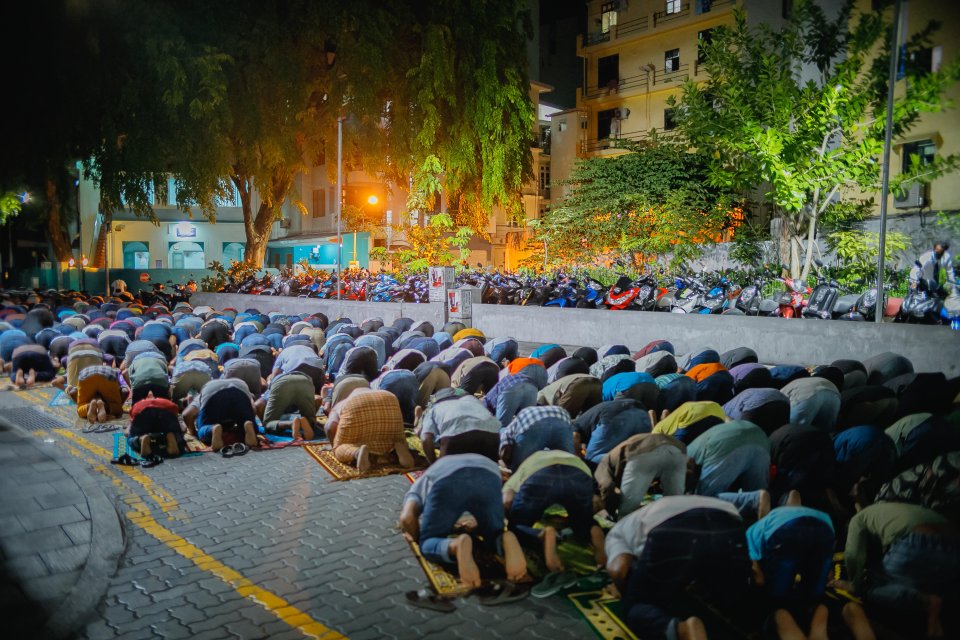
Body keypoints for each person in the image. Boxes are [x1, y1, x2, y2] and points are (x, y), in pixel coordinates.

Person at [606, 495, 750, 640]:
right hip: (729, 523)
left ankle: (684, 630)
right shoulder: (655, 509)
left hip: (676, 528)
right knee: (735, 600)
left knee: (636, 608)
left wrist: (620, 587)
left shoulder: (616, 531)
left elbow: (619, 570)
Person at [400, 453, 527, 588]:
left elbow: (406, 518)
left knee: (428, 544)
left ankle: (456, 545)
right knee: (493, 534)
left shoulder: (424, 479)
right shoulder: (486, 461)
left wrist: (419, 538)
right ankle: (504, 538)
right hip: (489, 474)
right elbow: (504, 501)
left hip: (447, 481)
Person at [842, 502, 959, 638]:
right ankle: (934, 621)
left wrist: (854, 584)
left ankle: (925, 601)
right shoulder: (883, 510)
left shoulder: (857, 520)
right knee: (935, 585)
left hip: (917, 542)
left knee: (875, 582)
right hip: (953, 545)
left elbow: (852, 555)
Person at [503, 450, 606, 572]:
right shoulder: (568, 455)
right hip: (578, 473)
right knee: (583, 522)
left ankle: (542, 535)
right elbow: (596, 501)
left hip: (541, 475)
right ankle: (593, 531)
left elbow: (507, 500)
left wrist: (511, 517)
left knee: (516, 528)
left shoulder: (527, 463)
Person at [594, 432, 687, 519]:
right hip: (677, 449)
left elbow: (606, 485)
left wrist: (610, 511)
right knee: (674, 506)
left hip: (642, 451)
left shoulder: (602, 464)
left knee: (627, 514)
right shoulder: (615, 455)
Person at [330, 388, 414, 472]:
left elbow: (329, 427)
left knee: (340, 447)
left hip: (356, 407)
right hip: (390, 400)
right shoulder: (379, 391)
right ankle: (398, 447)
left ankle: (357, 452)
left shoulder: (343, 403)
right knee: (394, 438)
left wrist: (333, 443)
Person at [416, 388, 501, 463]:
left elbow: (425, 440)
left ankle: (418, 425)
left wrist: (434, 465)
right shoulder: (476, 403)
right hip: (492, 435)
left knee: (447, 473)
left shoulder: (435, 407)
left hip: (457, 435)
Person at [182, 377, 258, 452]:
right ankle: (247, 425)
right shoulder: (245, 390)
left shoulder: (198, 398)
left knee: (202, 429)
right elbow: (254, 408)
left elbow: (186, 415)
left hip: (212, 391)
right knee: (247, 422)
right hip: (240, 387)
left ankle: (213, 428)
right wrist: (249, 418)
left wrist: (193, 432)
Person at [499, 406, 576, 472]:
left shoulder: (505, 434)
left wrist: (510, 464)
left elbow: (505, 450)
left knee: (520, 469)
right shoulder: (518, 421)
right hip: (562, 416)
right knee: (569, 465)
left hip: (533, 421)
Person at [256, 371, 318, 440]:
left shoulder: (273, 382)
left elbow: (260, 403)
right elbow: (318, 399)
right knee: (311, 420)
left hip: (282, 383)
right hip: (305, 380)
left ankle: (291, 424)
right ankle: (306, 422)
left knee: (268, 423)